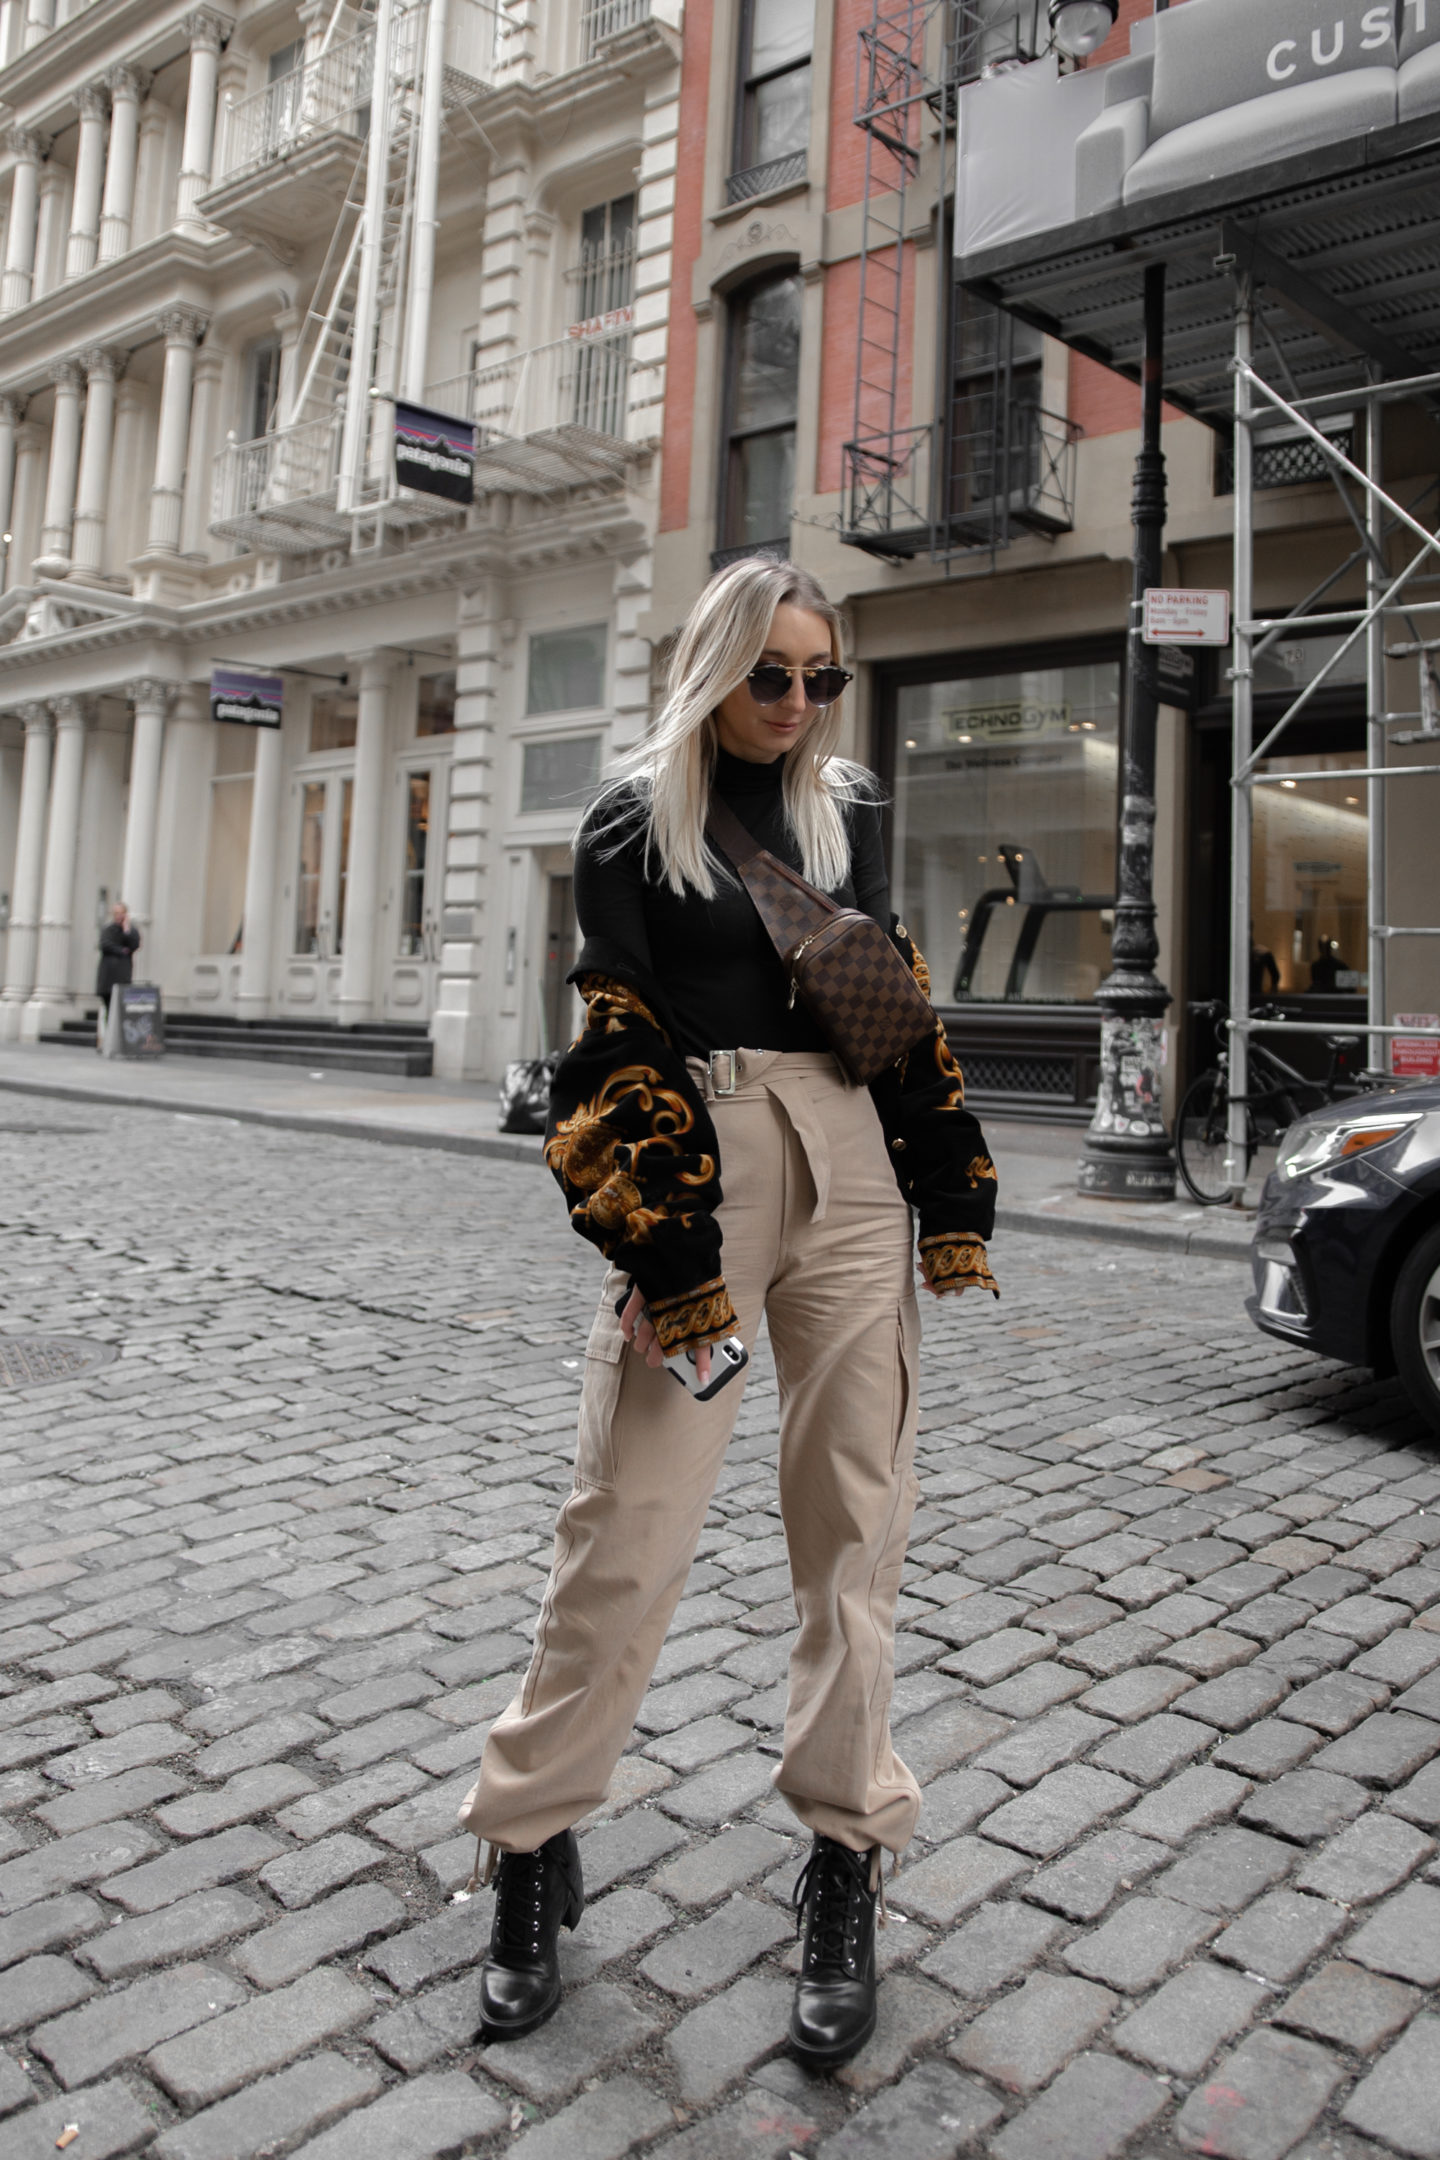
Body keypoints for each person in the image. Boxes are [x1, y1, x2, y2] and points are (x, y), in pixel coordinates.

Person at [459, 559, 999, 2071]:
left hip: (849, 1170)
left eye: (822, 678)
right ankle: (531, 1837)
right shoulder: (637, 818)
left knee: (855, 1528)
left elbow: (878, 1006)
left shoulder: (848, 809)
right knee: (625, 1523)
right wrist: (661, 1250)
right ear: (714, 666)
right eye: (773, 675)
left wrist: (943, 1179)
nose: (800, 704)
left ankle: (844, 1849)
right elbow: (617, 1026)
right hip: (700, 1166)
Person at [95, 901, 140, 1047]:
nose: (119, 916)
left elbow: (134, 944)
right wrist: (121, 950)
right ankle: (107, 1040)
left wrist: (127, 929)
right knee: (108, 1009)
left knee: (122, 1010)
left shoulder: (130, 931)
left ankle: (120, 1041)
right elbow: (104, 944)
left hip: (123, 977)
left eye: (122, 913)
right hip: (108, 977)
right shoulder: (108, 929)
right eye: (116, 913)